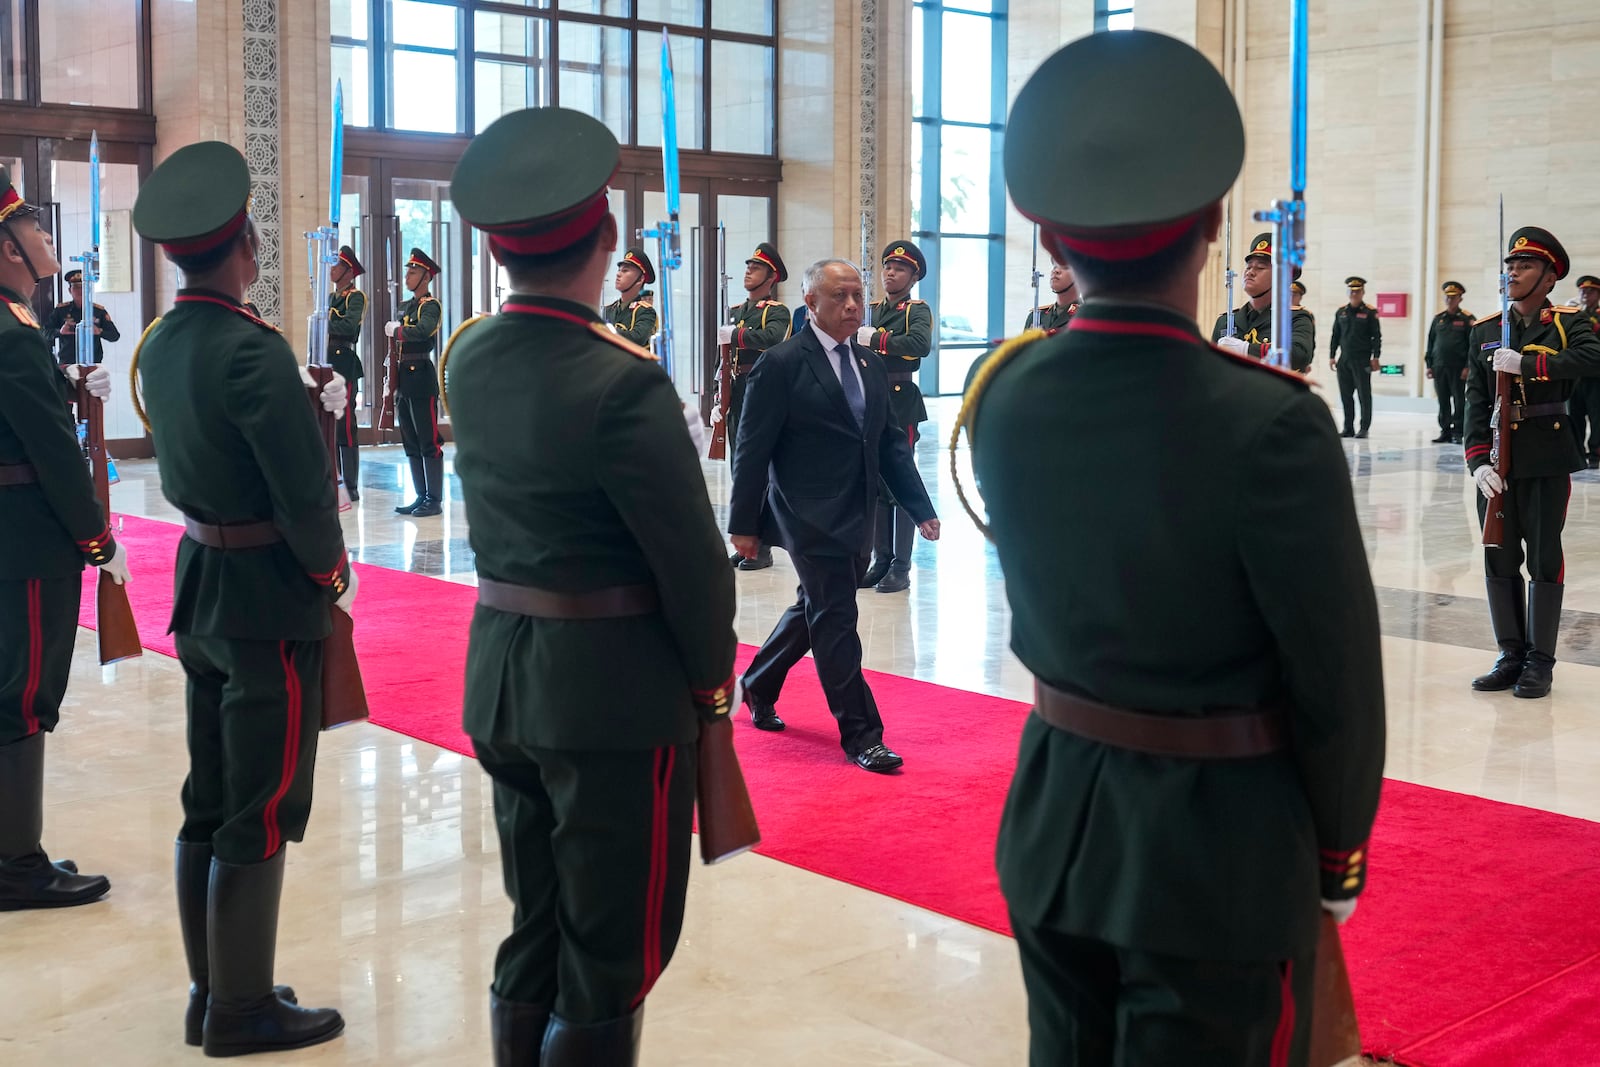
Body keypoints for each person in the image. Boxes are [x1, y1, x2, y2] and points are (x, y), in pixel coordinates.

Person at [960, 31, 1384, 1065]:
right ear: (1208, 225)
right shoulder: (1268, 423)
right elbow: (1334, 676)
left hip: (1054, 818)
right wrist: (1336, 850)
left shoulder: (1004, 393)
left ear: (1051, 239)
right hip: (1214, 856)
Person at [445, 106, 737, 1066]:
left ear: (498, 251)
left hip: (503, 680)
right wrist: (708, 688)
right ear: (607, 236)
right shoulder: (625, 380)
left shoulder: (472, 355)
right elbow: (694, 566)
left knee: (538, 925)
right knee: (613, 951)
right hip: (611, 701)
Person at [131, 140, 355, 1056]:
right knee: (260, 803)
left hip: (202, 587)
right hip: (266, 597)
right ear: (246, 243)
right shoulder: (253, 350)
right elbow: (304, 499)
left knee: (209, 795)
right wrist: (331, 574)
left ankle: (211, 988)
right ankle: (241, 1009)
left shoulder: (171, 339)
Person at [730, 258, 940, 772]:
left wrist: (920, 509)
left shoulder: (868, 362)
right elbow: (752, 452)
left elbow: (889, 445)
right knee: (837, 619)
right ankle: (863, 734)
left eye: (857, 297)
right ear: (811, 304)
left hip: (857, 511)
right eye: (840, 297)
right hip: (806, 515)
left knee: (817, 607)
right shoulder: (780, 364)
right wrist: (744, 525)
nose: (852, 307)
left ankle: (756, 685)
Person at [0, 165, 125, 911]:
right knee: (24, 693)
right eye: (36, 228)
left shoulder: (16, 329)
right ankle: (19, 863)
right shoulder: (14, 337)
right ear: (10, 249)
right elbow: (50, 453)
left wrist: (69, 385)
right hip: (29, 541)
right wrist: (96, 537)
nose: (48, 239)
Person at [1464, 228, 1600, 700]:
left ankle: (1540, 661)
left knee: (1543, 558)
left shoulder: (1566, 322)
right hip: (1499, 463)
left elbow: (1592, 357)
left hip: (1545, 457)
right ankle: (1510, 654)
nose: (1512, 273)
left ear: (1548, 277)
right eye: (1510, 265)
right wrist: (1478, 461)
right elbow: (1475, 401)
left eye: (1523, 266)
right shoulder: (1484, 329)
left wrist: (1528, 365)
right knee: (1498, 556)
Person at [858, 240, 933, 592]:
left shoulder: (916, 310)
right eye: (888, 267)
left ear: (913, 276)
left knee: (899, 478)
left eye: (900, 268)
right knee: (874, 482)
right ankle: (881, 558)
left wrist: (877, 340)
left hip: (900, 399)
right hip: (869, 398)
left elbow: (919, 345)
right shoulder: (870, 309)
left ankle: (901, 566)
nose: (891, 272)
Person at [717, 242, 791, 570]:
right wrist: (718, 395)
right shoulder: (737, 311)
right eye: (748, 266)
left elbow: (772, 338)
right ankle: (748, 542)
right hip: (736, 388)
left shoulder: (776, 311)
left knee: (759, 468)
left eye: (756, 267)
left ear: (771, 276)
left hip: (762, 389)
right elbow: (723, 356)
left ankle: (762, 546)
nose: (748, 271)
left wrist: (737, 335)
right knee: (740, 468)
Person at [386, 248, 444, 517]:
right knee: (410, 438)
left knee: (428, 439)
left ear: (426, 277)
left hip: (421, 375)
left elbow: (422, 331)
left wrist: (397, 330)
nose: (407, 276)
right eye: (408, 271)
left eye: (413, 272)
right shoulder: (405, 305)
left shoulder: (431, 306)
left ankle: (434, 499)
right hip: (403, 377)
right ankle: (420, 495)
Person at [1209, 233, 1314, 372]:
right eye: (1248, 266)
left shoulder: (1294, 319)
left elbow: (1299, 354)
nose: (1250, 272)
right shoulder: (1226, 321)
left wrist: (1246, 350)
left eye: (1260, 267)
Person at [329, 245, 366, 499]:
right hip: (328, 361)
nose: (331, 270)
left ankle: (351, 484)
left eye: (336, 265)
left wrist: (325, 320)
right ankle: (336, 478)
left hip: (345, 361)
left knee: (345, 425)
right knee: (329, 425)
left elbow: (348, 326)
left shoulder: (356, 296)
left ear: (348, 270)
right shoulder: (330, 297)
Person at [1330, 276, 1383, 437]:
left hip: (1362, 359)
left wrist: (1376, 357)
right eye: (1352, 291)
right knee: (1346, 395)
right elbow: (1335, 335)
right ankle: (1348, 427)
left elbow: (1376, 337)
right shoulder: (1341, 312)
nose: (1354, 294)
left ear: (1363, 292)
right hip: (1344, 359)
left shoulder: (1369, 312)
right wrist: (1332, 356)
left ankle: (1364, 428)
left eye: (1357, 291)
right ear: (1348, 292)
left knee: (1363, 395)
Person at [1426, 281, 1473, 445]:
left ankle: (1458, 432)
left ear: (1460, 298)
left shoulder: (1467, 319)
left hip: (1459, 368)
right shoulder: (1438, 319)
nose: (1449, 300)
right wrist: (1429, 365)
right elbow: (1431, 343)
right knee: (1443, 400)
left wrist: (1468, 366)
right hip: (1440, 366)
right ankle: (1445, 431)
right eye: (1447, 297)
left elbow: (1472, 345)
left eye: (1453, 297)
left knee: (1459, 400)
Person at [46, 267, 121, 365]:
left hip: (93, 363)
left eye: (83, 287)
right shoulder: (61, 311)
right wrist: (60, 332)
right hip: (68, 363)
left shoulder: (98, 311)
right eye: (76, 287)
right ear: (70, 290)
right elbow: (44, 332)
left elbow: (114, 336)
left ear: (88, 290)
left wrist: (99, 331)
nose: (79, 291)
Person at [1567, 274, 1600, 467]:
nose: (1585, 294)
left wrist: (1579, 314)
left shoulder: (1584, 315)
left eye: (1590, 291)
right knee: (1575, 415)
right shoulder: (1573, 313)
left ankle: (1595, 452)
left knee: (1597, 416)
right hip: (1575, 374)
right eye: (1582, 291)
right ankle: (1578, 451)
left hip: (1596, 376)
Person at [604, 248, 658, 348]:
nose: (618, 274)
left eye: (625, 270)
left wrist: (605, 330)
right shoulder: (608, 309)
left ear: (640, 279)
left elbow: (636, 338)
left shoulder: (645, 312)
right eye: (619, 270)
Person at [1022, 258, 1078, 333]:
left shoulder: (1086, 316)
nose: (1056, 271)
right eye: (1054, 266)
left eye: (1065, 267)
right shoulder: (1035, 316)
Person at [1290, 279, 1316, 373]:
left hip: (1296, 357)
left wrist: (1308, 362)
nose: (1291, 297)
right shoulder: (1276, 311)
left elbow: (1310, 341)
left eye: (1295, 295)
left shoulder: (1305, 315)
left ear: (1300, 297)